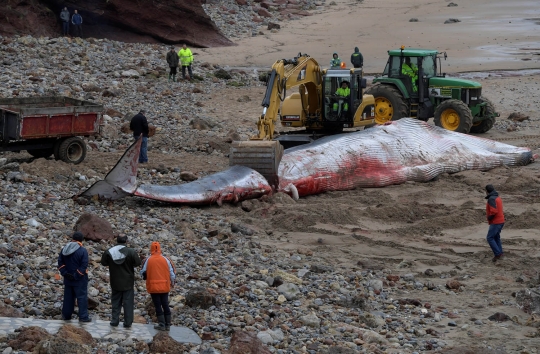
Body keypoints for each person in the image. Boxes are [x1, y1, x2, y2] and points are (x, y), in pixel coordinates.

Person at [100, 235, 142, 328]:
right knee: (128, 302)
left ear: (117, 240)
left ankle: (115, 321)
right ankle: (128, 322)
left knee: (115, 301)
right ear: (126, 241)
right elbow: (138, 262)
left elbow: (103, 262)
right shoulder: (131, 251)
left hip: (115, 280)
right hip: (128, 281)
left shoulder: (109, 251)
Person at [140, 242, 176, 331]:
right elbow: (172, 272)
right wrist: (172, 282)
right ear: (160, 249)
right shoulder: (166, 259)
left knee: (157, 305)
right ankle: (168, 325)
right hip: (164, 285)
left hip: (153, 286)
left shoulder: (148, 260)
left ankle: (161, 324)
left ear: (151, 249)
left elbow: (142, 272)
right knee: (165, 304)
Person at [57, 231, 91, 323]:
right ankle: (83, 317)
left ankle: (66, 315)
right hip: (80, 279)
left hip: (67, 278)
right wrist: (77, 275)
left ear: (73, 239)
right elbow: (84, 265)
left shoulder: (64, 249)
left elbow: (60, 263)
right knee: (81, 297)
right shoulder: (82, 250)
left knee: (68, 298)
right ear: (81, 240)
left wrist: (65, 273)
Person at [485, 184, 505, 262]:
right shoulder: (497, 197)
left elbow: (493, 211)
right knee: (496, 237)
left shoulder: (491, 199)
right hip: (501, 221)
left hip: (496, 222)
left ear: (486, 191)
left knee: (490, 238)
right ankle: (500, 253)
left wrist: (489, 217)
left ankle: (497, 254)